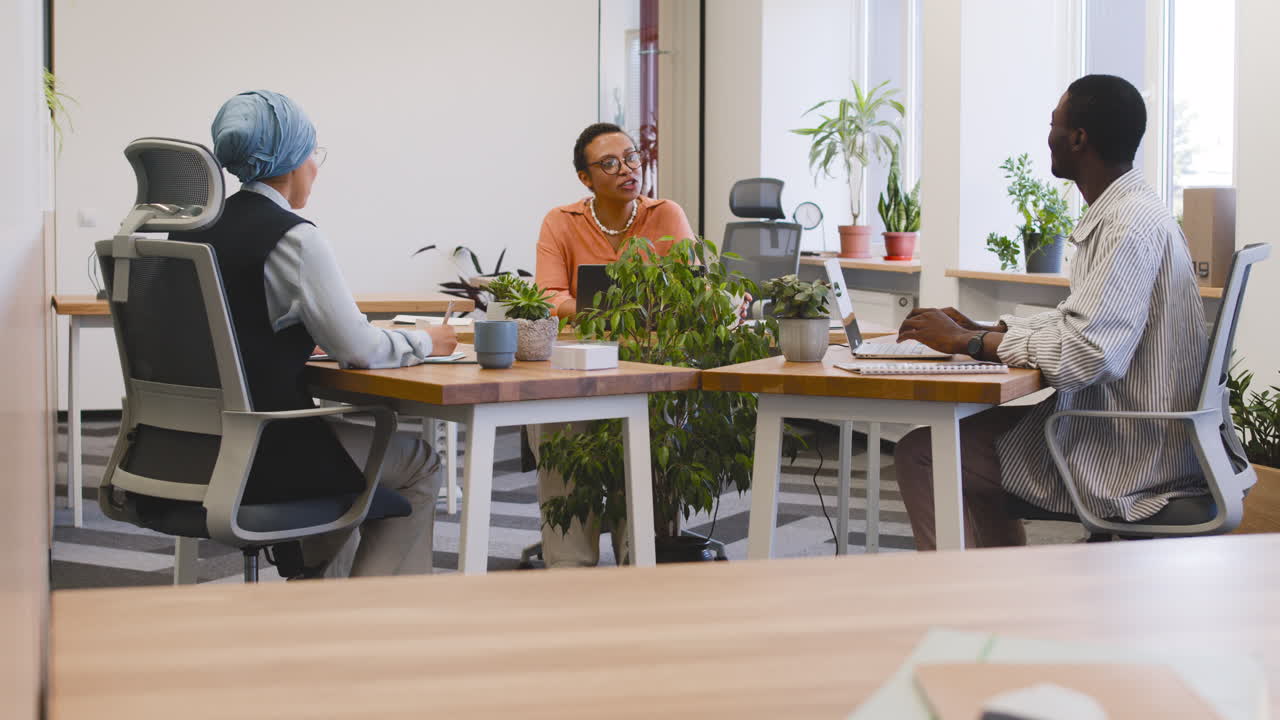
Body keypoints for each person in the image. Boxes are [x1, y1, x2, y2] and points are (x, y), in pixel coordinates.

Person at [893, 74, 1208, 550]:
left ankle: (960, 609)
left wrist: (970, 344)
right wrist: (986, 328)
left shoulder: (1125, 227)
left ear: (1078, 138)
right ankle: (1002, 599)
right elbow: (1080, 322)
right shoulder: (1137, 210)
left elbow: (1087, 354)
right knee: (955, 439)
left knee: (924, 452)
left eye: (1053, 123)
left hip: (1126, 453)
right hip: (1148, 434)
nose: (1048, 135)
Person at [183, 90, 458, 577]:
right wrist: (426, 341)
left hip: (191, 444)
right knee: (418, 463)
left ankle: (312, 584)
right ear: (292, 160)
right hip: (263, 447)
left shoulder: (191, 233)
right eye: (314, 153)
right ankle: (355, 616)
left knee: (350, 464)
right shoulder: (293, 237)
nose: (316, 166)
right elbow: (359, 348)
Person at [531, 122, 694, 567]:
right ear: (586, 178)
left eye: (632, 157)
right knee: (562, 448)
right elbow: (547, 297)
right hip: (577, 364)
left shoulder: (666, 215)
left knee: (643, 466)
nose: (627, 169)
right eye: (609, 163)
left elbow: (692, 290)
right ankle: (569, 570)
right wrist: (612, 313)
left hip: (648, 362)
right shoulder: (561, 222)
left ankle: (639, 563)